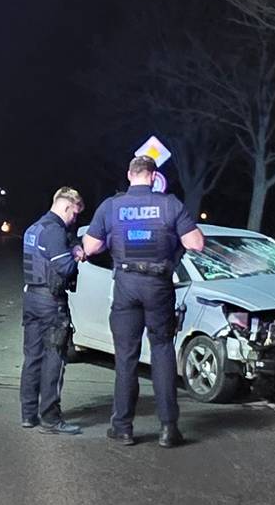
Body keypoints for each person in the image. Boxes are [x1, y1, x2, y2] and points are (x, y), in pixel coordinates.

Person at [77, 156, 205, 446]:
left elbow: (91, 246)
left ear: (129, 175)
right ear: (153, 176)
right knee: (161, 351)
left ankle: (122, 427)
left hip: (125, 284)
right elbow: (196, 243)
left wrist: (110, 239)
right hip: (159, 285)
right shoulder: (170, 204)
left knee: (125, 357)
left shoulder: (111, 206)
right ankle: (168, 428)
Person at [19, 188, 88, 434]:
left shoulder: (34, 228)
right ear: (67, 206)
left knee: (32, 357)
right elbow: (64, 267)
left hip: (31, 298)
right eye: (75, 213)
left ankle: (28, 414)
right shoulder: (54, 231)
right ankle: (50, 417)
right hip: (51, 303)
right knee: (54, 358)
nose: (74, 219)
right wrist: (77, 254)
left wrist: (74, 245)